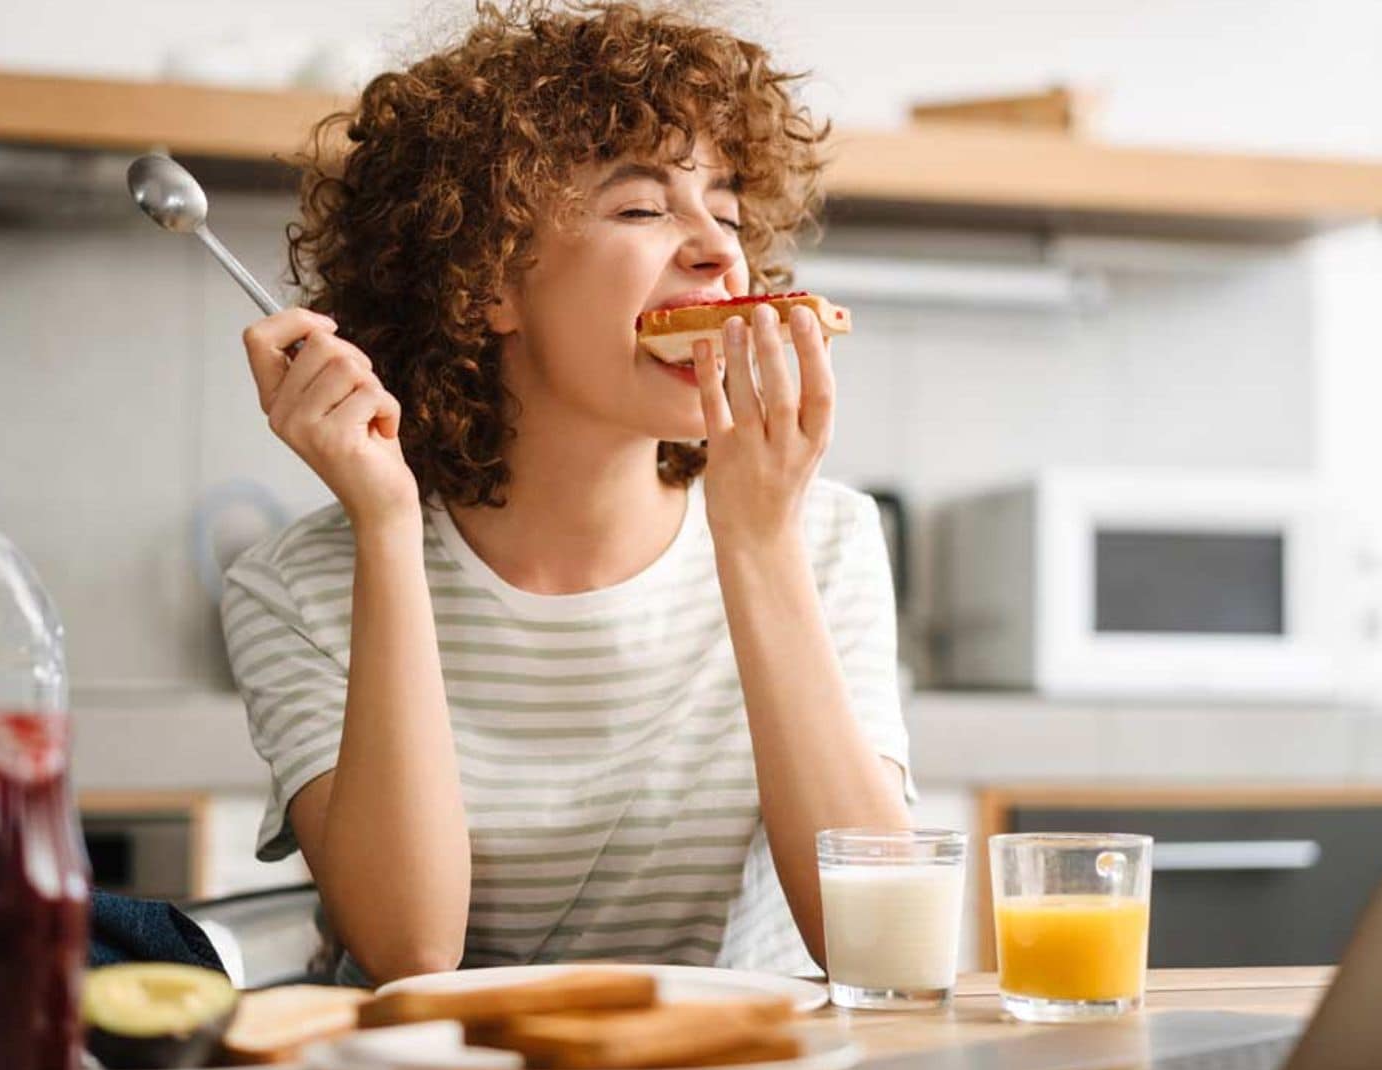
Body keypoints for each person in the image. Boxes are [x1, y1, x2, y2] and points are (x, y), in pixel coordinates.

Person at [222, 0, 913, 986]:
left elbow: (878, 947)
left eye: (725, 208)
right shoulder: (298, 586)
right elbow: (411, 951)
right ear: (484, 281)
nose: (720, 251)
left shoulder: (825, 537)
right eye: (642, 207)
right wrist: (384, 527)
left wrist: (757, 546)